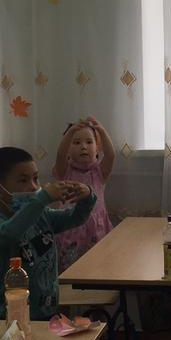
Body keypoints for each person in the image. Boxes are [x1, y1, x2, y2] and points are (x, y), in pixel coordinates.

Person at [0, 147, 94, 322]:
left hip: (48, 309)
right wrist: (42, 199)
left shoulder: (42, 215)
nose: (34, 187)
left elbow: (76, 218)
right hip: (15, 318)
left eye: (35, 178)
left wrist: (87, 195)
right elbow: (12, 232)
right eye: (23, 180)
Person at [52, 116, 115, 271]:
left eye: (89, 142)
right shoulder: (64, 172)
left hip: (97, 229)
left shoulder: (99, 172)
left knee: (98, 267)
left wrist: (101, 131)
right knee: (70, 269)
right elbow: (60, 155)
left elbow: (111, 155)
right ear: (68, 149)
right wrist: (70, 132)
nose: (83, 147)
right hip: (71, 228)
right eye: (76, 142)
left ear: (97, 148)